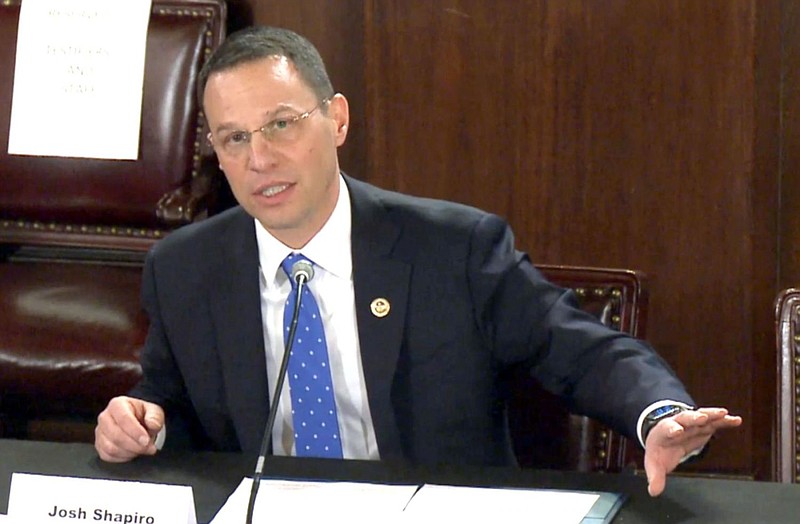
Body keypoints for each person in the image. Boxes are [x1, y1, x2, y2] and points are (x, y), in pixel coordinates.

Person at [94, 25, 742, 497]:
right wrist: (141, 422)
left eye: (282, 124)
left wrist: (657, 414)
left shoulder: (455, 248)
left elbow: (582, 350)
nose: (259, 159)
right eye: (235, 138)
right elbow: (168, 401)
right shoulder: (185, 268)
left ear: (337, 119)